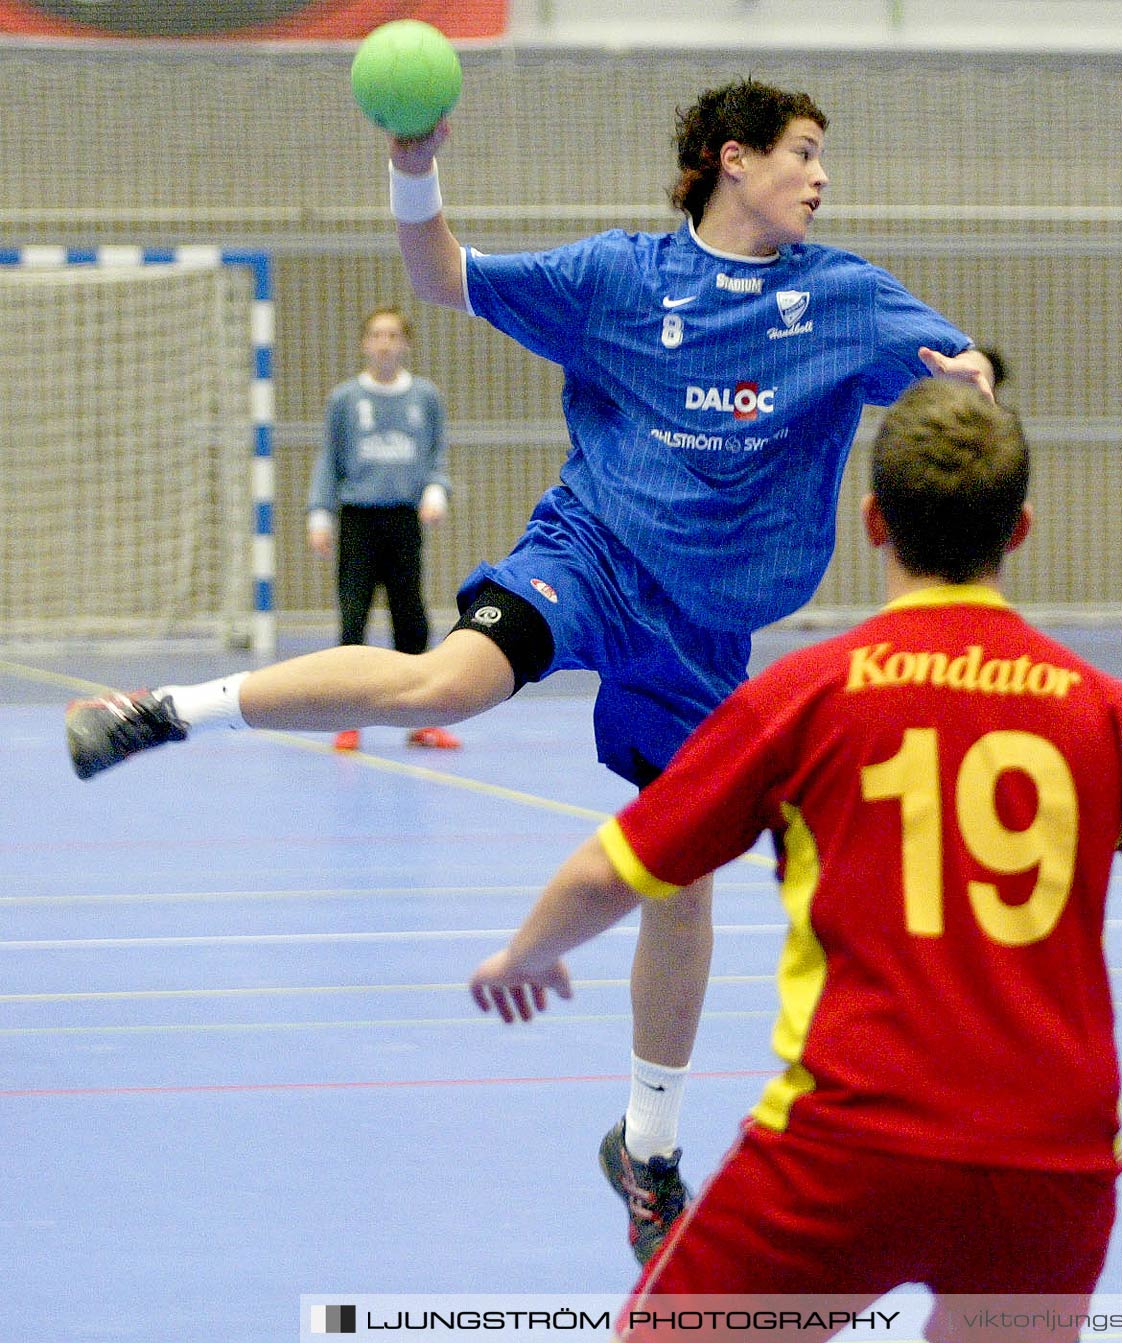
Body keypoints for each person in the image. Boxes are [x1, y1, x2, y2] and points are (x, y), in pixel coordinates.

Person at [62, 77, 996, 1263]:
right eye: (802, 152)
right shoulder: (619, 280)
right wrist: (416, 164)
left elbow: (961, 369)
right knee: (445, 683)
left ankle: (645, 1147)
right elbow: (442, 272)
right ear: (731, 159)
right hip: (590, 556)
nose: (821, 175)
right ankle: (166, 711)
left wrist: (967, 393)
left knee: (683, 873)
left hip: (703, 637)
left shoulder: (844, 299)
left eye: (824, 156)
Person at [467, 378, 1122, 1337]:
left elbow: (622, 864)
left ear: (874, 523)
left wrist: (527, 950)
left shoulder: (807, 698)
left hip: (850, 1144)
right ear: (1020, 529)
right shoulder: (1101, 712)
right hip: (1052, 1165)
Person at [308, 306, 460, 754]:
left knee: (411, 618)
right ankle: (348, 718)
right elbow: (329, 462)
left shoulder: (425, 398)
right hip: (359, 519)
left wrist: (436, 490)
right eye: (376, 335)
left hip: (403, 520)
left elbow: (437, 455)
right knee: (353, 617)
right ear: (364, 343)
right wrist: (320, 514)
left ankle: (422, 720)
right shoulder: (345, 400)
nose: (385, 344)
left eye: (393, 335)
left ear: (406, 343)